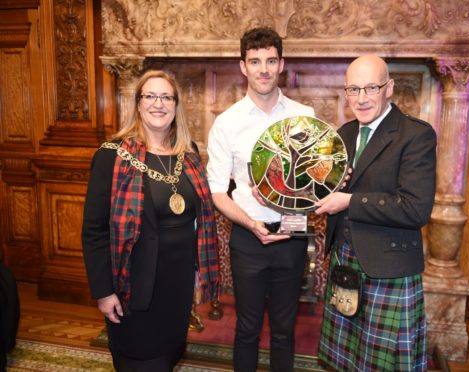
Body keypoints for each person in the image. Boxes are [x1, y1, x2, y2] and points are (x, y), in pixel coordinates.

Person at [82, 70, 220, 372]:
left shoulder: (190, 154)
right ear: (138, 104)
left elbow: (197, 222)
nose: (159, 104)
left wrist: (197, 274)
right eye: (150, 96)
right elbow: (94, 231)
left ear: (176, 105)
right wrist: (104, 292)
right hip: (134, 289)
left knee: (169, 358)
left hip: (177, 288)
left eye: (166, 97)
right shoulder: (112, 157)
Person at [315, 55, 436, 371]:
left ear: (389, 88)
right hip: (346, 261)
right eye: (353, 89)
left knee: (382, 364)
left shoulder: (415, 135)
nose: (361, 98)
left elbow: (415, 209)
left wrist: (349, 201)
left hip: (388, 268)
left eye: (371, 87)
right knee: (347, 360)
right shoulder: (344, 134)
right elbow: (329, 189)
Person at [206, 27, 315, 371]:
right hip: (247, 237)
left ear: (281, 64)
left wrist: (288, 194)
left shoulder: (305, 116)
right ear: (243, 66)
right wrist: (251, 222)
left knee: (284, 330)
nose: (263, 69)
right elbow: (217, 192)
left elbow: (316, 183)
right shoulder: (226, 123)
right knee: (248, 328)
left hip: (292, 235)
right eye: (255, 61)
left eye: (270, 60)